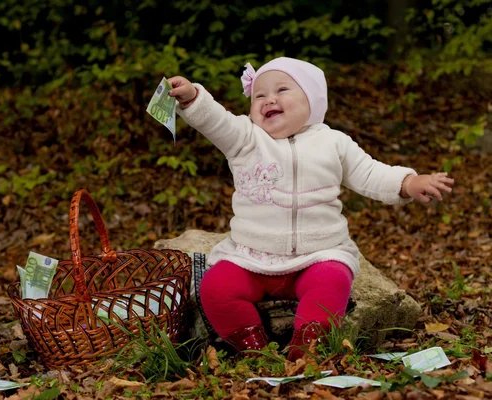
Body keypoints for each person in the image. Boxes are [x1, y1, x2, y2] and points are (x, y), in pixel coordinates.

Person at [166, 57, 454, 361]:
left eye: (282, 90)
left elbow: (370, 173)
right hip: (252, 256)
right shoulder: (245, 138)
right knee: (216, 287)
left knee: (333, 280)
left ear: (312, 101)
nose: (269, 99)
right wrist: (193, 99)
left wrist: (408, 181)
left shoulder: (333, 142)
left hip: (317, 255)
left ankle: (308, 347)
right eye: (259, 95)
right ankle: (253, 348)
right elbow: (216, 120)